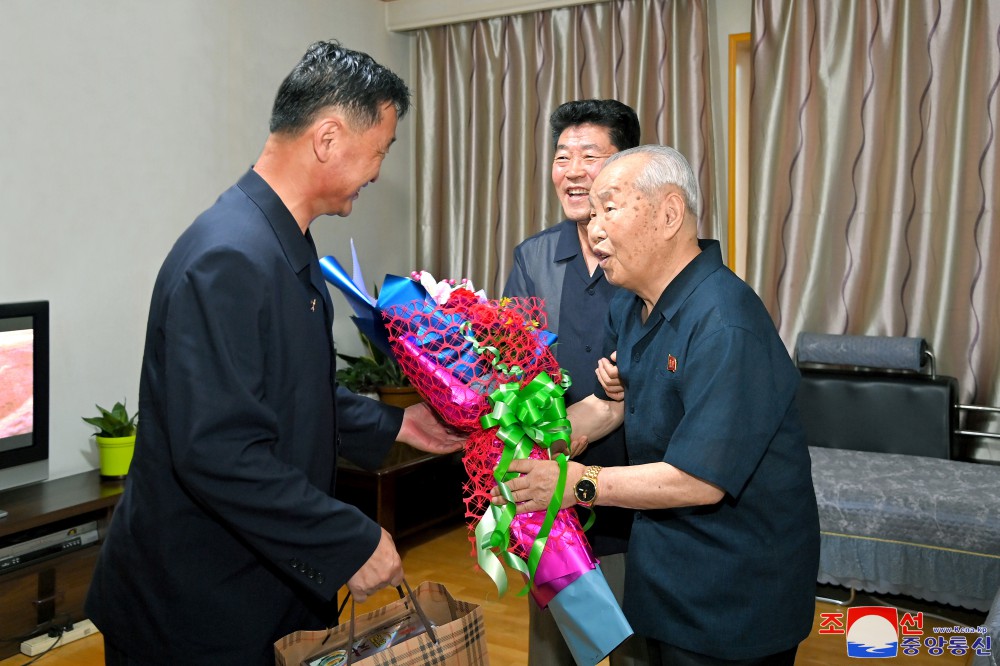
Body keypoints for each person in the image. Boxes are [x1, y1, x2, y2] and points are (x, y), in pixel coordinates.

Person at [85, 41, 464, 666]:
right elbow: (218, 451)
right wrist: (349, 537)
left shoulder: (279, 242)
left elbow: (294, 391)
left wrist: (399, 422)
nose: (377, 170)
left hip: (253, 591)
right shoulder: (229, 258)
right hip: (194, 609)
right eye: (382, 148)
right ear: (329, 137)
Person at [495, 145, 820, 665]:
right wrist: (511, 442)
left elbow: (699, 479)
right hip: (665, 573)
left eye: (610, 208)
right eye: (592, 211)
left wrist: (575, 482)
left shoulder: (725, 323)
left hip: (732, 592)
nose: (593, 227)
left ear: (669, 214)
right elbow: (609, 407)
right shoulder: (632, 304)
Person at [503, 98, 647, 665]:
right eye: (562, 156)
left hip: (639, 492)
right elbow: (511, 373)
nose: (572, 170)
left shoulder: (650, 258)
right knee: (555, 652)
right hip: (554, 502)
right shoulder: (535, 259)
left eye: (591, 155)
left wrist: (615, 405)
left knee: (640, 646)